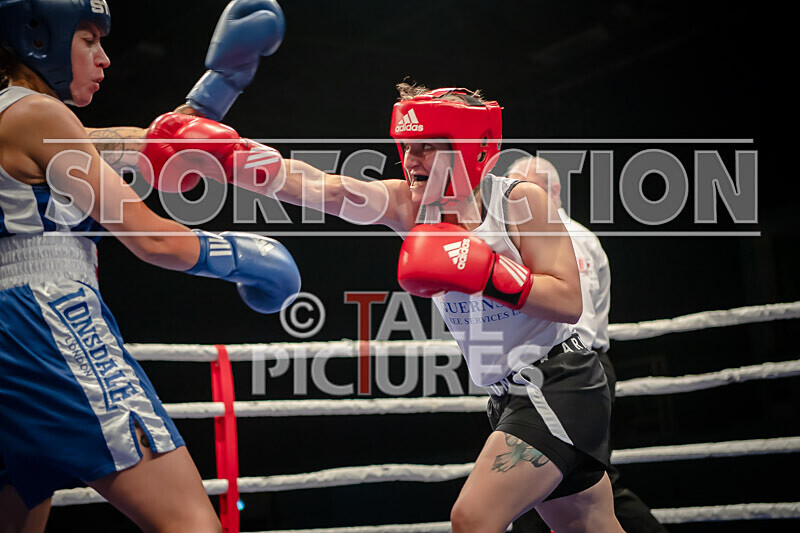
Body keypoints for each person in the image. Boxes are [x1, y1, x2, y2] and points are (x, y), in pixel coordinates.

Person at [145, 84, 624, 532]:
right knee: (590, 527)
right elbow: (322, 188)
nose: (410, 159)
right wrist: (232, 159)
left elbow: (566, 299)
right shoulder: (407, 206)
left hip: (559, 383)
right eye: (406, 145)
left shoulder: (521, 202)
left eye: (425, 147)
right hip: (508, 394)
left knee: (473, 518)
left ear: (470, 147)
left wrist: (484, 269)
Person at [0, 1, 298, 531]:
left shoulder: (17, 117)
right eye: (89, 40)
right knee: (191, 524)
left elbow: (148, 149)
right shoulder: (41, 115)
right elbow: (151, 238)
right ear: (38, 36)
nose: (104, 58)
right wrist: (242, 258)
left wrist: (216, 87)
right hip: (44, 322)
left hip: (12, 342)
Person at [507, 156, 668, 533]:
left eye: (520, 187)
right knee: (568, 485)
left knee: (573, 483)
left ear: (553, 192)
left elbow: (567, 316)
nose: (511, 197)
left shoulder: (568, 237)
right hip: (553, 371)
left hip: (571, 369)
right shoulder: (536, 236)